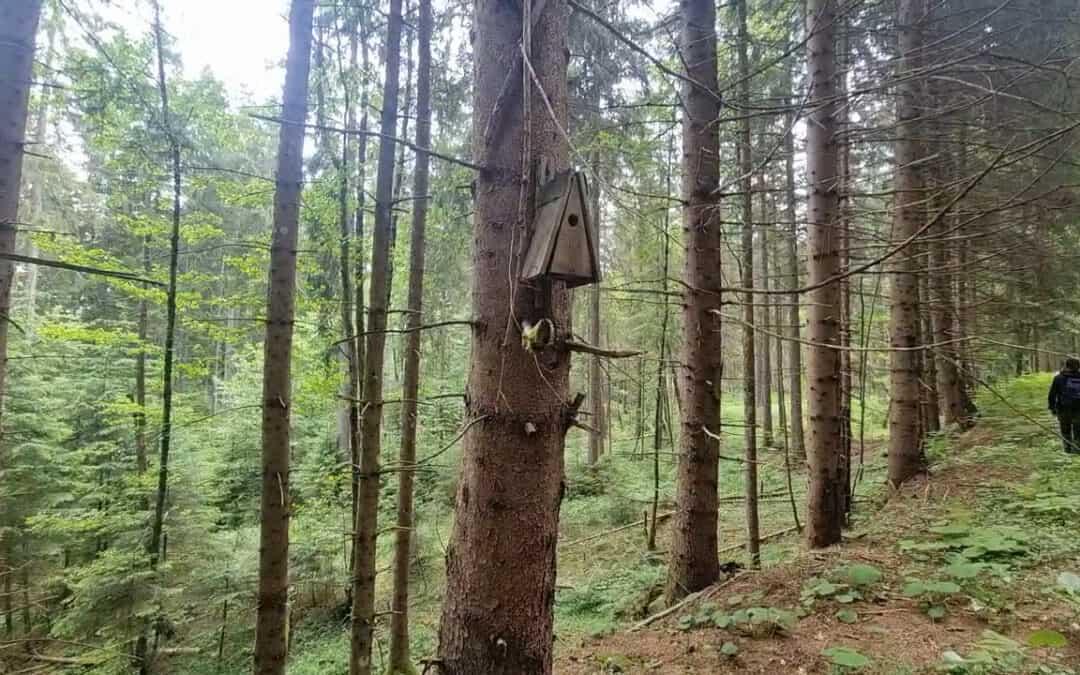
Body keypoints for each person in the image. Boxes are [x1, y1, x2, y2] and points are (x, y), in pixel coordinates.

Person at [1047, 357, 1080, 454]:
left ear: (1066, 366)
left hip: (1063, 409)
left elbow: (1052, 394)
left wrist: (1052, 408)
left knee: (1065, 432)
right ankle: (1077, 451)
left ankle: (1067, 451)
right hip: (1078, 410)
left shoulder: (1059, 378)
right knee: (1078, 431)